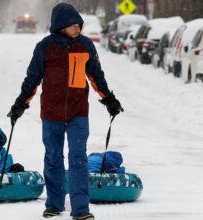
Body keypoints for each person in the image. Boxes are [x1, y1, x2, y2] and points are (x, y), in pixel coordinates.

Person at [7, 3, 123, 220]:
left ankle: (81, 209)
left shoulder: (85, 46)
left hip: (78, 111)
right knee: (53, 157)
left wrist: (109, 99)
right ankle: (54, 204)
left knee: (78, 158)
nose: (77, 28)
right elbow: (32, 79)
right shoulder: (45, 47)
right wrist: (20, 105)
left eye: (78, 24)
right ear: (60, 25)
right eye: (72, 25)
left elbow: (97, 76)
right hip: (51, 113)